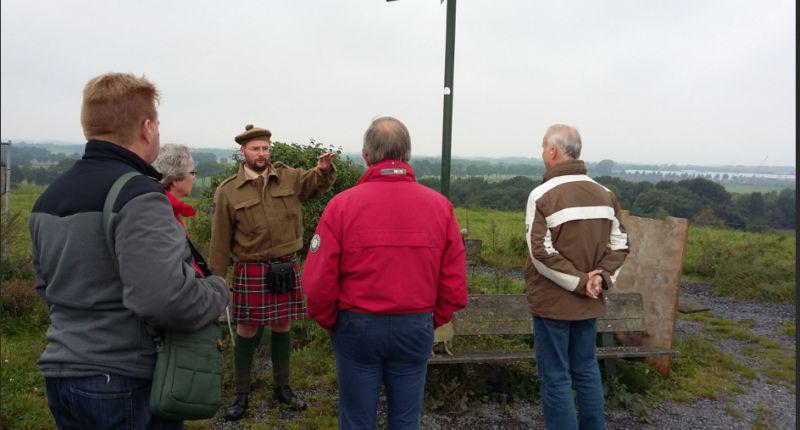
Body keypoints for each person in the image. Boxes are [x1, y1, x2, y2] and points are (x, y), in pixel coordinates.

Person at [28, 72, 230, 429]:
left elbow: (48, 289)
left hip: (62, 376)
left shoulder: (49, 196)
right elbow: (165, 300)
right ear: (147, 127)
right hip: (123, 382)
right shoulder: (139, 195)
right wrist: (216, 291)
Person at [302, 116, 468, 430]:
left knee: (357, 419)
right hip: (415, 324)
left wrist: (332, 320)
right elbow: (455, 283)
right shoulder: (440, 207)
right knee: (406, 420)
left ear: (366, 156)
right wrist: (431, 318)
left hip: (357, 324)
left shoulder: (342, 206)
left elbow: (317, 280)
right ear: (407, 154)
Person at [209, 124, 337, 421]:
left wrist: (322, 169)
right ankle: (241, 394)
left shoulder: (287, 177)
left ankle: (283, 388)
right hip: (250, 268)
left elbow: (314, 184)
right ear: (243, 152)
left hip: (285, 265)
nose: (262, 153)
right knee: (247, 328)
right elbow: (219, 240)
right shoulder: (228, 190)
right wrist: (217, 279)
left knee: (282, 325)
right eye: (255, 149)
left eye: (265, 148)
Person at [524, 124, 630, 430]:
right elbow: (620, 244)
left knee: (556, 375)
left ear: (554, 151)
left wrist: (582, 282)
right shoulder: (605, 195)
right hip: (590, 301)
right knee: (586, 370)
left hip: (553, 303)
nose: (542, 152)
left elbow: (539, 252)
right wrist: (601, 279)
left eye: (543, 146)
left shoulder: (542, 195)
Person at [152, 143, 203, 275]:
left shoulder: (162, 206)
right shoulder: (162, 215)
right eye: (192, 172)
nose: (194, 177)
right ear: (175, 179)